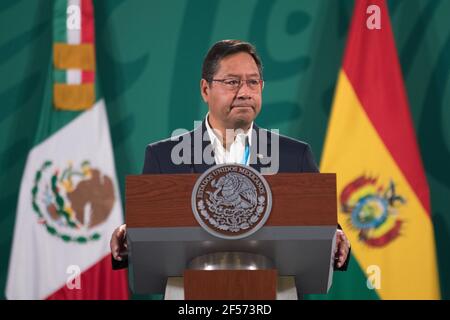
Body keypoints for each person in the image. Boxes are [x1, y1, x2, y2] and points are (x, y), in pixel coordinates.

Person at [110, 40, 350, 271]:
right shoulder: (164, 157)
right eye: (232, 82)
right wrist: (129, 233)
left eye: (253, 82)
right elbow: (147, 230)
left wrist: (336, 236)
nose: (245, 92)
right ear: (206, 89)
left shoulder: (295, 156)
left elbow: (320, 227)